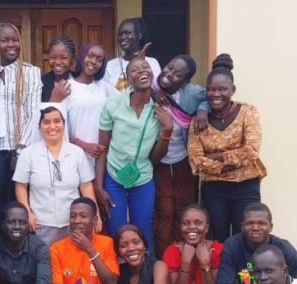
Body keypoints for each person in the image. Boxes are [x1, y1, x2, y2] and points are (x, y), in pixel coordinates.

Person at [95, 56, 172, 254]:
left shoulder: (159, 111)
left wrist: (167, 131)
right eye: (135, 70)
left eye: (145, 68)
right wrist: (99, 186)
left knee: (143, 231)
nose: (142, 71)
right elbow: (102, 148)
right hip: (113, 176)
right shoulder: (112, 105)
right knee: (116, 230)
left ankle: (145, 278)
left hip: (143, 178)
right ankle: (118, 280)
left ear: (152, 74)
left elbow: (155, 158)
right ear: (128, 79)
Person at [188, 54, 267, 242]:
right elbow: (196, 160)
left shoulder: (248, 112)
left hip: (246, 185)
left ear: (232, 90)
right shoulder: (198, 122)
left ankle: (246, 272)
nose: (216, 94)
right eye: (211, 90)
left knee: (246, 236)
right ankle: (223, 272)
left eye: (222, 89)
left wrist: (217, 157)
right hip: (214, 188)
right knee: (218, 236)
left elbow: (251, 150)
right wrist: (229, 163)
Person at [151, 54, 210, 258]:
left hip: (184, 159)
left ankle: (186, 256)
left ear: (185, 81)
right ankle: (165, 260)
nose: (169, 75)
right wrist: (152, 91)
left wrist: (202, 111)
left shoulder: (191, 93)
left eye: (177, 75)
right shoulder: (151, 85)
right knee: (165, 210)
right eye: (168, 68)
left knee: (184, 208)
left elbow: (209, 97)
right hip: (158, 161)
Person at [13, 106, 99, 245]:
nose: (52, 126)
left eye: (57, 121)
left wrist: (96, 215)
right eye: (46, 122)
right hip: (41, 223)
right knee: (46, 262)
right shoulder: (28, 154)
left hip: (74, 223)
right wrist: (27, 213)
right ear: (39, 126)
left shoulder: (77, 152)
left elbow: (86, 186)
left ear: (64, 125)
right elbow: (21, 186)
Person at [0, 22, 42, 237]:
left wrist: (19, 151)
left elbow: (34, 112)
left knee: (21, 206)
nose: (11, 44)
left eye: (14, 40)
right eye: (5, 40)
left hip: (20, 150)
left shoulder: (30, 72)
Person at [47, 197, 119, 284]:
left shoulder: (106, 243)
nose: (76, 220)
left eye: (83, 216)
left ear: (95, 220)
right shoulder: (56, 248)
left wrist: (90, 250)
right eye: (73, 216)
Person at [87, 224, 169, 284]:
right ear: (119, 252)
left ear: (144, 245)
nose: (131, 248)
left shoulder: (158, 266)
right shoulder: (120, 271)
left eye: (136, 242)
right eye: (124, 246)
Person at [162, 204, 222, 284]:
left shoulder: (218, 249)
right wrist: (185, 264)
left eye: (198, 223)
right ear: (180, 227)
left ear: (206, 227)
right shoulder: (172, 251)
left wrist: (205, 264)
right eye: (186, 223)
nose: (191, 227)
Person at [66, 42, 119, 168]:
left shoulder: (104, 87)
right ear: (82, 57)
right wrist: (85, 146)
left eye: (99, 60)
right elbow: (60, 126)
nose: (94, 61)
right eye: (90, 56)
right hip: (73, 156)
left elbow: (127, 102)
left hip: (100, 157)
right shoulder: (67, 87)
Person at [104, 17, 161, 92]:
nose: (123, 37)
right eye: (120, 34)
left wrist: (139, 62)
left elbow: (156, 89)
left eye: (127, 33)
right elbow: (112, 92)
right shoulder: (110, 65)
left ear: (139, 35)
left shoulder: (151, 62)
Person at [41, 36, 76, 103]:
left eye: (63, 58)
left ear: (73, 59)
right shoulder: (41, 83)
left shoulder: (79, 80)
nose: (57, 62)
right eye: (53, 57)